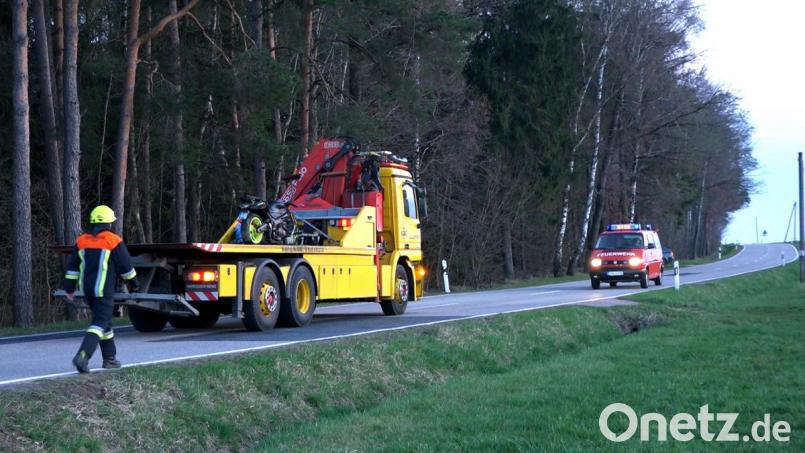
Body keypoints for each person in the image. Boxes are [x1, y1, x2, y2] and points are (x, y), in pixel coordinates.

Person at [63, 205, 139, 373]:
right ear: (109, 223)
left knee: (105, 322)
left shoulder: (81, 240)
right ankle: (82, 356)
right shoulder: (113, 240)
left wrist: (69, 288)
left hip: (88, 291)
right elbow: (125, 266)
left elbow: (73, 267)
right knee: (99, 323)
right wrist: (134, 284)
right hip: (104, 290)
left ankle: (110, 359)